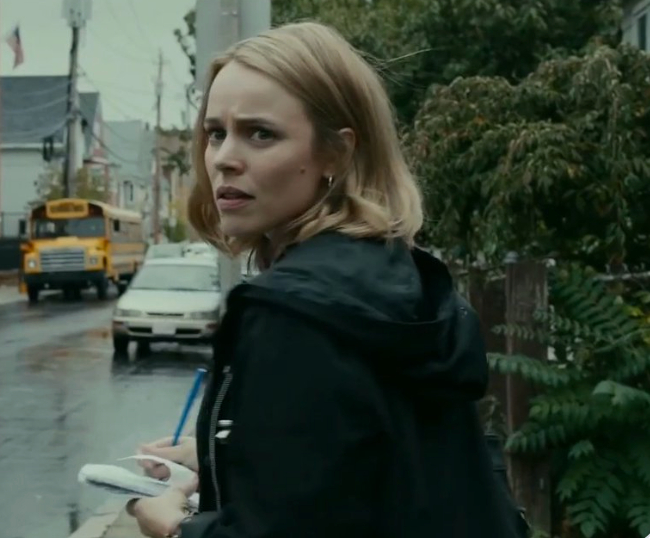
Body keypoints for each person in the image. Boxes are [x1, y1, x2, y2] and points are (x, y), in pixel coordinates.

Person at [126, 21, 528, 538]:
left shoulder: (295, 311)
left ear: (336, 153)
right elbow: (376, 468)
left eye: (261, 133)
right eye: (216, 133)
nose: (224, 159)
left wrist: (174, 527)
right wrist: (228, 449)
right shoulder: (393, 275)